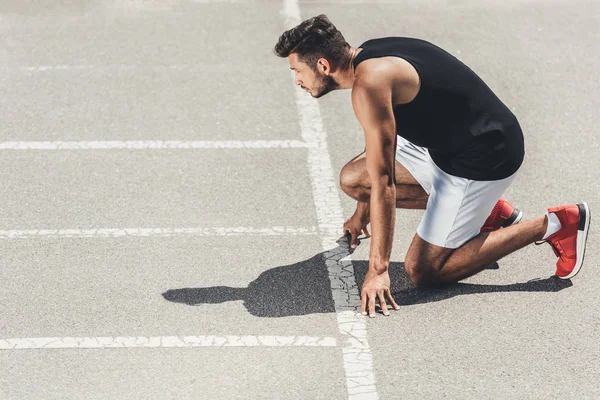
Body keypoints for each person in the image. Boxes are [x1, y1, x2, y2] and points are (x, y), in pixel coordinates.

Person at [273, 15, 590, 318]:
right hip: (445, 145)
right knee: (355, 179)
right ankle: (488, 214)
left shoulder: (368, 85)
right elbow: (377, 162)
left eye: (297, 71)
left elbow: (384, 183)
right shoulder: (369, 56)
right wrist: (361, 213)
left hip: (485, 156)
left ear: (324, 65)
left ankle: (556, 224)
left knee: (423, 271)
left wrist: (378, 269)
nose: (297, 80)